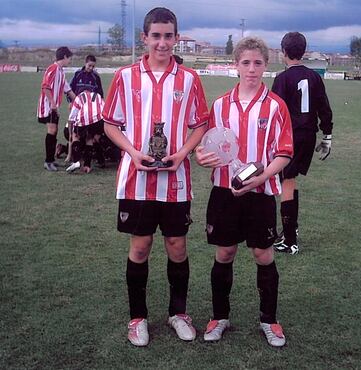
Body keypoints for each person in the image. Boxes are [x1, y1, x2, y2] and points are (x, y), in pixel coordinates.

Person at [102, 7, 209, 347]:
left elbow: (200, 123)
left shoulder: (189, 79)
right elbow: (110, 123)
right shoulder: (125, 76)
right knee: (141, 245)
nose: (162, 43)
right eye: (156, 36)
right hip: (136, 178)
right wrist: (133, 153)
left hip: (176, 179)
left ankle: (179, 313)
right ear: (144, 37)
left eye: (168, 35)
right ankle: (138, 319)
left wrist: (183, 153)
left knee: (177, 246)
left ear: (176, 38)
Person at [195, 37, 293, 347]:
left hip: (260, 191)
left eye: (258, 63)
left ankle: (269, 320)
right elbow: (206, 145)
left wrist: (262, 175)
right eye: (246, 62)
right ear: (236, 65)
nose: (252, 69)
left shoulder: (276, 105)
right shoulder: (221, 105)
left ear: (266, 65)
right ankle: (219, 316)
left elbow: (285, 152)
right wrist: (200, 155)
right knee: (224, 252)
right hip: (224, 190)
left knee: (262, 254)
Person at [271, 32, 333, 255]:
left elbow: (274, 112)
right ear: (304, 52)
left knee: (286, 181)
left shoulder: (282, 79)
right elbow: (324, 108)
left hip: (291, 136)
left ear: (283, 52)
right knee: (290, 179)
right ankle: (290, 231)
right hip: (309, 136)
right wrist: (327, 136)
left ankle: (290, 240)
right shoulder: (314, 77)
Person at [37, 46, 76, 171]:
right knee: (52, 130)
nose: (70, 61)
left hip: (53, 107)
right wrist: (53, 103)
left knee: (54, 130)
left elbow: (67, 89)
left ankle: (51, 160)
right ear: (64, 57)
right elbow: (45, 86)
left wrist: (79, 101)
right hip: (48, 107)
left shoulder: (60, 71)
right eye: (69, 58)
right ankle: (48, 162)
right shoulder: (53, 68)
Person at [65, 88, 105, 173]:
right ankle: (87, 166)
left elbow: (71, 118)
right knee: (89, 139)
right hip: (98, 119)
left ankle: (76, 161)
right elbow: (104, 109)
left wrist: (70, 134)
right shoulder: (97, 96)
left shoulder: (79, 97)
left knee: (76, 136)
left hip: (84, 118)